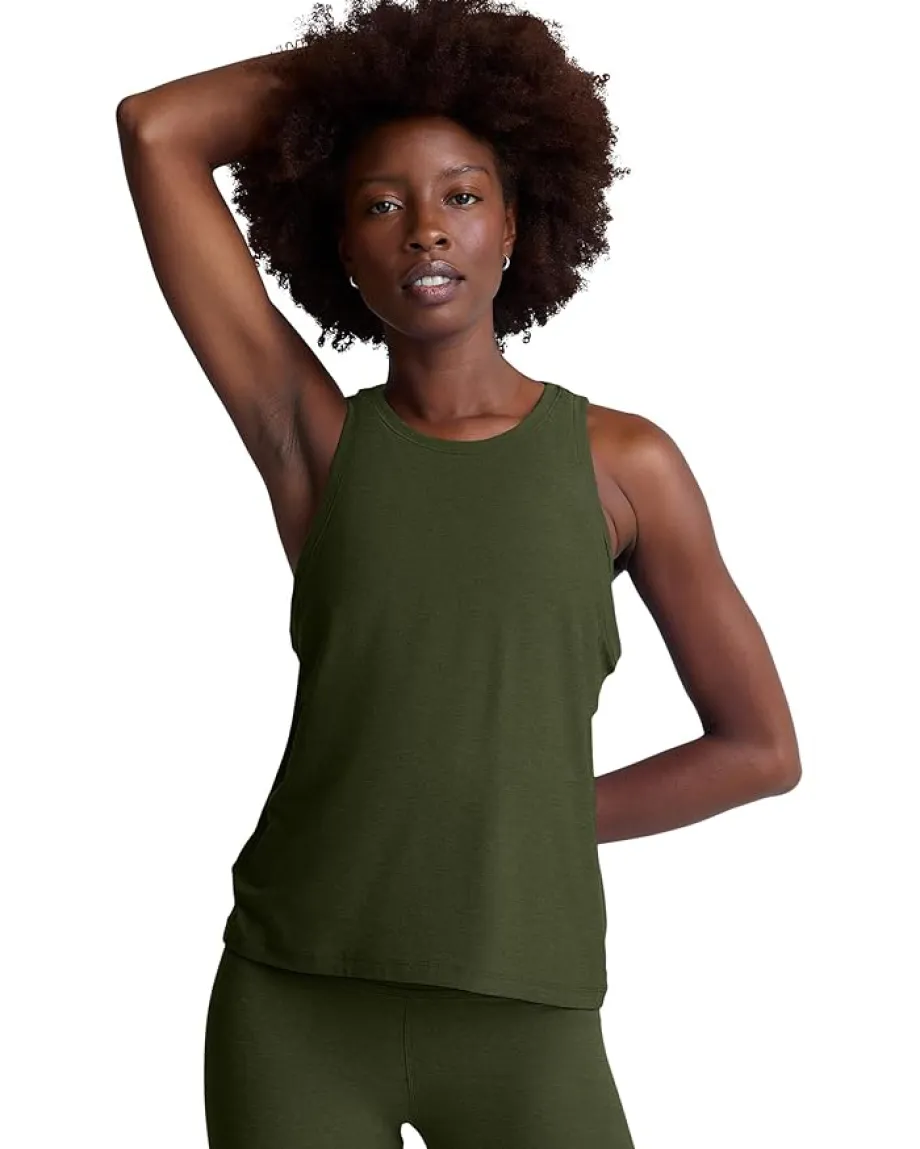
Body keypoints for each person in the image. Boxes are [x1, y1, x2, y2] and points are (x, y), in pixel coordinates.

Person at [116, 0, 802, 1144]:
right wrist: (370, 72)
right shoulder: (313, 443)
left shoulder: (623, 465)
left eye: (461, 195)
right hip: (293, 999)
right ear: (341, 250)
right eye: (381, 204)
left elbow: (759, 748)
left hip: (523, 1009)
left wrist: (537, 814)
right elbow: (156, 130)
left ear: (514, 221)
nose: (425, 230)